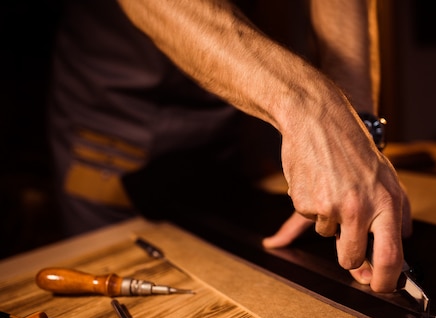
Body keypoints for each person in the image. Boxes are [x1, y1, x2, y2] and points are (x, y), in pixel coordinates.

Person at [47, 0, 412, 293]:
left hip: (234, 99)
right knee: (118, 271)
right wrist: (313, 109)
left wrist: (357, 123)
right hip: (116, 110)